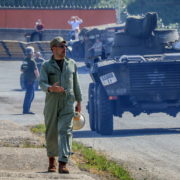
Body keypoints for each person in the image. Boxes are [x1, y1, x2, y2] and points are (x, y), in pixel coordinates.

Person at [39, 37, 82, 173]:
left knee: (66, 131)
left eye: (65, 47)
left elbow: (76, 83)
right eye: (61, 47)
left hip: (68, 102)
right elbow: (41, 83)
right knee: (51, 131)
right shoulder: (46, 65)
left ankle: (63, 162)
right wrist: (51, 88)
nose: (64, 49)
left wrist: (79, 101)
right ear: (53, 49)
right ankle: (52, 161)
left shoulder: (72, 64)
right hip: (52, 101)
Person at [21, 46, 39, 114]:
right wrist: (38, 78)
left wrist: (27, 72)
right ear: (32, 53)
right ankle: (26, 110)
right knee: (29, 96)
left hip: (26, 80)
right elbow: (35, 70)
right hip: (31, 81)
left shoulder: (25, 60)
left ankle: (26, 109)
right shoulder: (32, 61)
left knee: (31, 95)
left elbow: (22, 69)